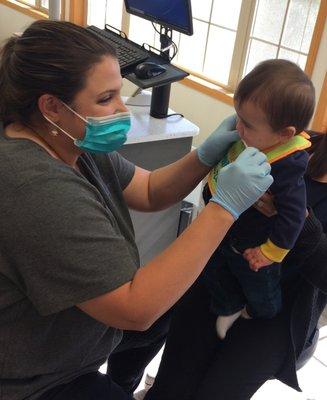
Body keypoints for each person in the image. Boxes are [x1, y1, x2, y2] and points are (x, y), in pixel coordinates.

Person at [0, 20, 272, 400]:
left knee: (172, 305)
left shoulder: (68, 142)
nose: (120, 109)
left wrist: (205, 155)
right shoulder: (37, 190)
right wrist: (223, 209)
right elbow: (135, 308)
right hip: (36, 379)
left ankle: (121, 381)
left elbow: (148, 190)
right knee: (154, 307)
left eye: (119, 93)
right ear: (52, 107)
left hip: (81, 335)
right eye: (105, 98)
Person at [143, 131, 327, 400]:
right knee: (171, 386)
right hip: (224, 274)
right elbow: (212, 193)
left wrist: (300, 222)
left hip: (279, 311)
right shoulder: (296, 145)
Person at [203, 60, 315, 339]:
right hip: (227, 232)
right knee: (213, 271)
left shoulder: (286, 167)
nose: (238, 128)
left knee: (260, 288)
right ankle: (230, 306)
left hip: (254, 246)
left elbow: (293, 218)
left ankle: (259, 313)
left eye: (248, 124)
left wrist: (269, 253)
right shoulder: (255, 139)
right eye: (238, 116)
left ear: (285, 134)